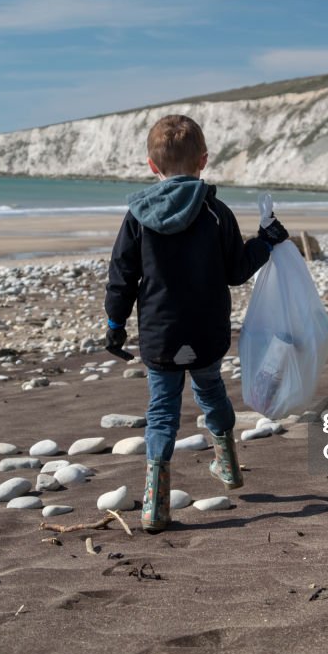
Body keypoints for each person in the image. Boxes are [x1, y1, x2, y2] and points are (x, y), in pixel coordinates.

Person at [104, 115, 288, 533]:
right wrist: (266, 241)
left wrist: (115, 324)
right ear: (203, 160)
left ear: (152, 166)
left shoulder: (138, 216)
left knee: (162, 412)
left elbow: (122, 275)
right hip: (206, 332)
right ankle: (228, 467)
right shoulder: (216, 212)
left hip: (160, 334)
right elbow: (237, 270)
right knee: (211, 392)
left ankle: (155, 504)